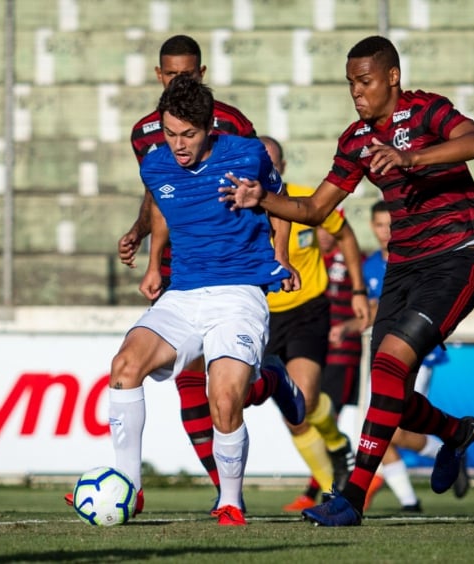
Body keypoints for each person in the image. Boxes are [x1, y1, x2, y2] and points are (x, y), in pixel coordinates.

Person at [220, 34, 474, 526]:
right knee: (391, 396)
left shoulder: (427, 111)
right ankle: (454, 432)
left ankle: (352, 499)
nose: (356, 91)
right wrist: (259, 197)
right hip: (403, 270)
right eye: (350, 83)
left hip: (455, 258)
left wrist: (411, 158)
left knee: (388, 368)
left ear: (392, 77)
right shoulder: (355, 140)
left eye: (364, 81)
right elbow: (313, 209)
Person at [66, 35, 306, 513]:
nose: (177, 145)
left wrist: (281, 256)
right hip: (183, 292)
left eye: (188, 135)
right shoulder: (155, 162)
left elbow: (279, 204)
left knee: (223, 398)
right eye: (171, 133)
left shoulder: (246, 152)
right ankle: (129, 489)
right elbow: (161, 206)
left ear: (209, 128)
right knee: (124, 368)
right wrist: (155, 263)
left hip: (238, 293)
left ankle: (231, 503)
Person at [258, 136, 369, 508]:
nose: (266, 169)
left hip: (308, 310)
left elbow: (346, 235)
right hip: (260, 315)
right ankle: (333, 463)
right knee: (293, 416)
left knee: (302, 399)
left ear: (284, 167)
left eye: (272, 163)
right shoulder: (239, 206)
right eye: (259, 162)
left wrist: (357, 290)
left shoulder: (307, 200)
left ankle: (332, 480)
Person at [359, 201, 460, 512]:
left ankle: (451, 445)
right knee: (377, 427)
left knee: (395, 427)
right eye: (379, 225)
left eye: (390, 224)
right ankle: (409, 501)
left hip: (417, 354)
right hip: (379, 355)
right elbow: (373, 313)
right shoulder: (369, 266)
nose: (385, 231)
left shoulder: (418, 261)